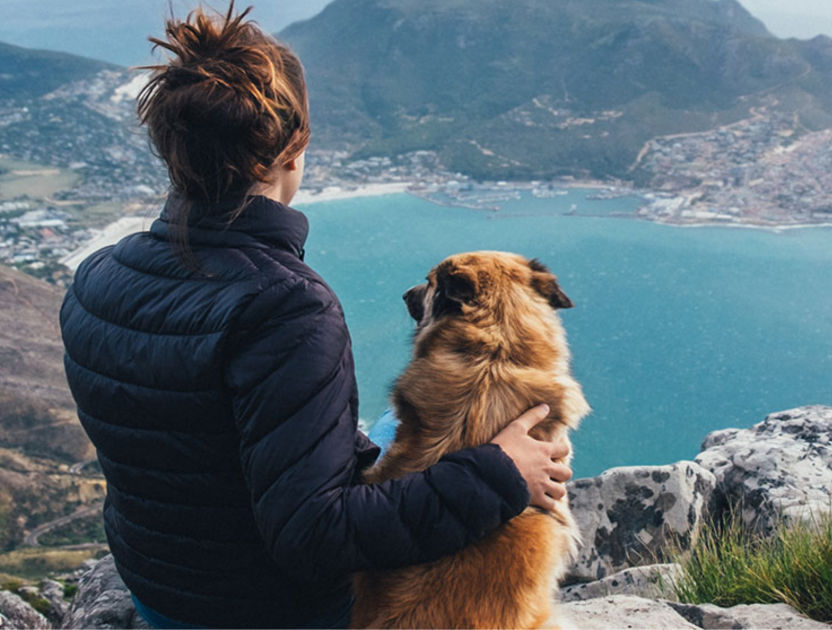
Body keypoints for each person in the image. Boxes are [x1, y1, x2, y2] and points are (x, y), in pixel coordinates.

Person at [58, 4, 571, 628]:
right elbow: (313, 536)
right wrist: (498, 474)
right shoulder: (288, 307)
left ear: (173, 154)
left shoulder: (97, 277)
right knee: (491, 429)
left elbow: (203, 438)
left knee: (394, 422)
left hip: (159, 591)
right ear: (294, 148)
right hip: (265, 613)